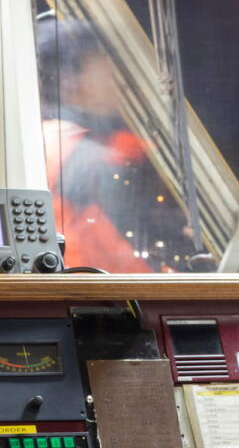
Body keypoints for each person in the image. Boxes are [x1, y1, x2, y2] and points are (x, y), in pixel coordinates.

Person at [36, 18, 162, 274]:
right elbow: (123, 258)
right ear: (69, 80)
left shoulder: (46, 141)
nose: (118, 81)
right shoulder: (88, 159)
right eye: (105, 68)